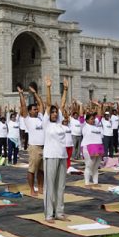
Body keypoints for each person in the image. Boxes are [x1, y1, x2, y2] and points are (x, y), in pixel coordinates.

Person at [41, 77, 67, 223]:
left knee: (60, 186)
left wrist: (65, 89)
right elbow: (49, 104)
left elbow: (62, 104)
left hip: (62, 156)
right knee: (50, 185)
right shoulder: (46, 123)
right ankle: (49, 214)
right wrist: (49, 88)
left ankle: (59, 212)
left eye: (56, 112)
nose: (55, 114)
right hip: (50, 156)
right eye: (52, 112)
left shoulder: (59, 123)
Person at [19, 82, 45, 197]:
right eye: (34, 109)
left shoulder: (41, 117)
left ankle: (40, 187)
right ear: (29, 111)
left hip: (44, 147)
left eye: (36, 109)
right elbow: (24, 107)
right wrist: (21, 94)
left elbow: (41, 104)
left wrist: (35, 93)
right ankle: (31, 189)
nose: (36, 110)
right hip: (34, 147)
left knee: (41, 170)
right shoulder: (28, 119)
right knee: (32, 170)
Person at [81, 101, 104, 186]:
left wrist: (99, 106)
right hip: (88, 147)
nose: (93, 120)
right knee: (89, 165)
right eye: (91, 119)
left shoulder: (96, 125)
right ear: (86, 120)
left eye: (93, 119)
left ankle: (95, 182)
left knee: (96, 166)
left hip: (98, 146)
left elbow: (99, 115)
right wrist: (80, 105)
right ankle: (87, 182)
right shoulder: (84, 125)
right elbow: (80, 116)